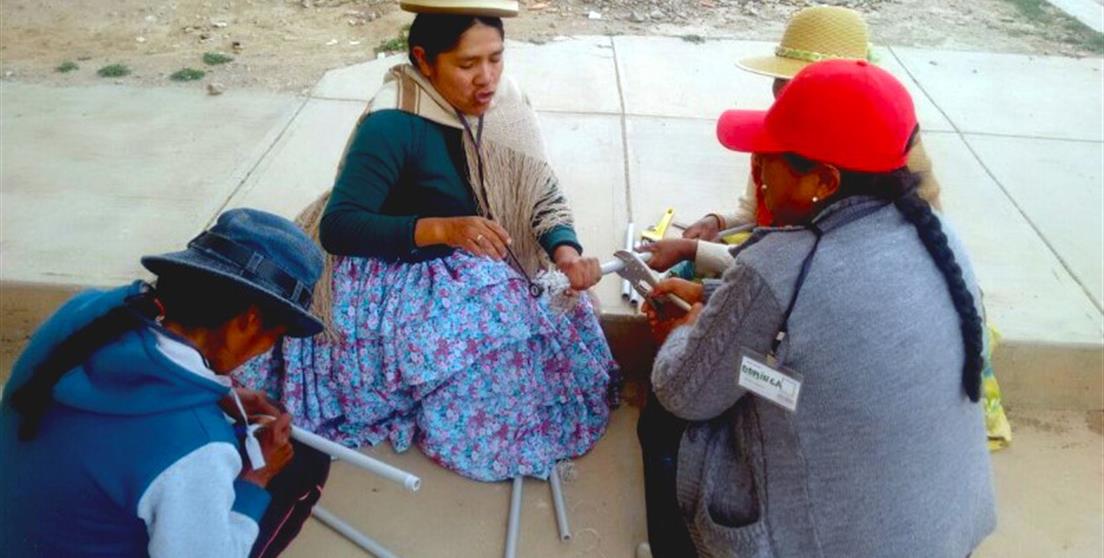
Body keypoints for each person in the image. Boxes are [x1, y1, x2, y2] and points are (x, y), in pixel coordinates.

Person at [235, 0, 616, 482]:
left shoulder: (504, 103)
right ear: (423, 59)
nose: (487, 78)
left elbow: (539, 190)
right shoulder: (394, 121)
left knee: (561, 308)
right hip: (388, 256)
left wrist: (566, 252)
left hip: (460, 247)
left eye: (496, 58)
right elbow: (340, 227)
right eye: (467, 64)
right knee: (491, 326)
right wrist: (443, 228)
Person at [636, 60, 996, 557]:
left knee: (664, 418)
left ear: (822, 181)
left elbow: (683, 392)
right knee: (761, 381)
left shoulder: (778, 265)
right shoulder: (936, 234)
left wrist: (685, 332)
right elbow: (816, 345)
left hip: (832, 545)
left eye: (768, 158)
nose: (756, 171)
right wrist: (719, 306)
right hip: (941, 530)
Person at [0, 208, 332, 557]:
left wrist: (218, 392)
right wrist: (255, 480)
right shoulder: (197, 446)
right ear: (249, 321)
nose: (266, 349)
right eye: (274, 336)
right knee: (303, 462)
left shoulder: (87, 313)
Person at [643, 5, 942, 274]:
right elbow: (755, 217)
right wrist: (718, 222)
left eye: (797, 92)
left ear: (825, 182)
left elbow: (781, 268)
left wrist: (694, 253)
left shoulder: (849, 233)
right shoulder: (794, 138)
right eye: (780, 91)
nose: (780, 104)